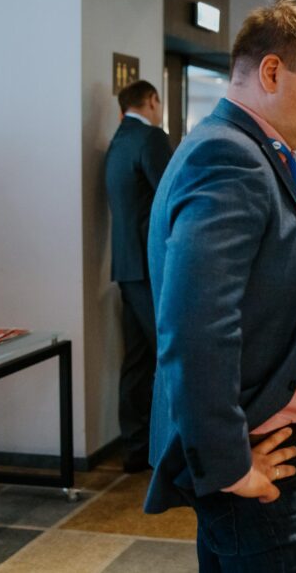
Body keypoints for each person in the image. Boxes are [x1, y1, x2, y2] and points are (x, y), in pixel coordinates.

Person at [144, 0, 296, 572]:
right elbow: (196, 323)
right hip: (264, 457)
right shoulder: (229, 156)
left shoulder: (248, 149)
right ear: (272, 72)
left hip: (273, 440)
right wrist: (230, 464)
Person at [104, 79, 173, 473]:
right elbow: (171, 195)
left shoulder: (117, 141)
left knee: (137, 360)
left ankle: (134, 447)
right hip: (151, 265)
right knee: (170, 353)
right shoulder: (151, 138)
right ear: (151, 100)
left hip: (126, 265)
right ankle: (171, 449)